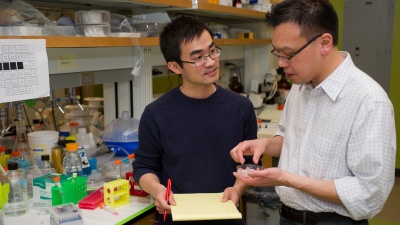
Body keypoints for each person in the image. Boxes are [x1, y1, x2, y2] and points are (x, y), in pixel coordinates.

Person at [230, 0, 396, 225]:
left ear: (325, 43)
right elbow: (289, 136)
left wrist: (287, 179)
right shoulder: (300, 86)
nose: (281, 63)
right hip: (287, 216)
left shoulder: (369, 101)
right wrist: (266, 145)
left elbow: (369, 193)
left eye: (288, 54)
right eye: (277, 52)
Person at [132, 15, 258, 225]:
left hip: (226, 217)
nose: (210, 62)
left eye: (212, 51)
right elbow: (143, 167)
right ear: (175, 67)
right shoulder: (156, 114)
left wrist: (237, 189)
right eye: (198, 57)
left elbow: (251, 166)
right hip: (176, 217)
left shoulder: (241, 108)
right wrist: (157, 190)